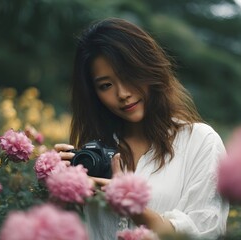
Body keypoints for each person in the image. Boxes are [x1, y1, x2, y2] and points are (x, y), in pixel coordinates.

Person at [54, 17, 229, 240]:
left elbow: (208, 233)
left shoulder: (200, 142)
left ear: (148, 68)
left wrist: (135, 208)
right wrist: (58, 189)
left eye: (128, 75)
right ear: (93, 94)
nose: (123, 93)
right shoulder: (94, 156)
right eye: (106, 85)